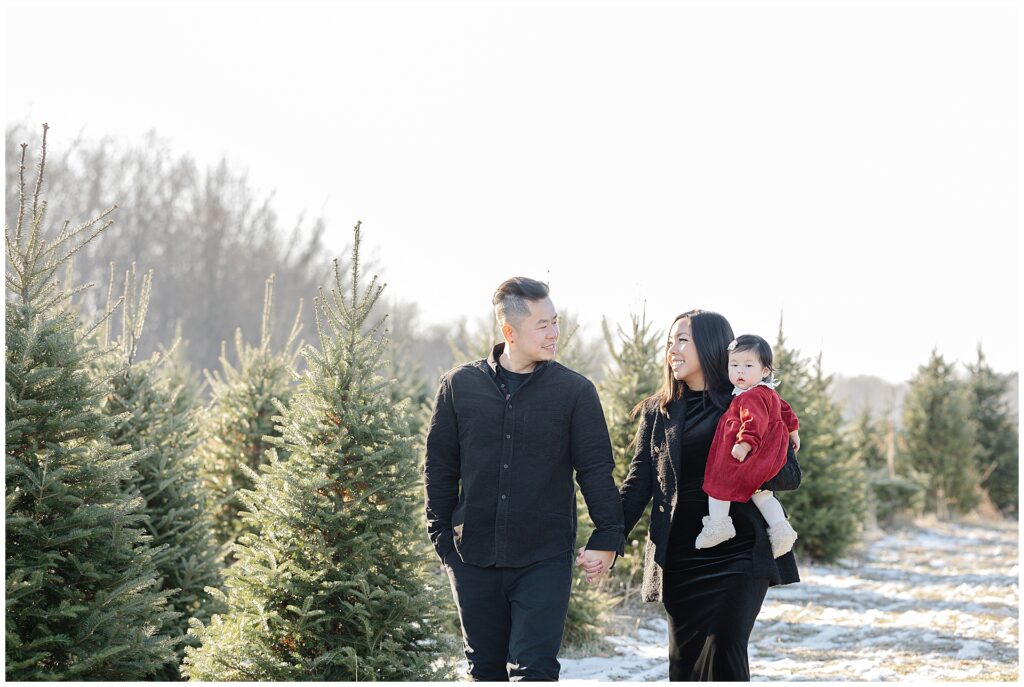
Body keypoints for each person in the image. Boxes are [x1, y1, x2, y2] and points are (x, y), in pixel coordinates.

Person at [582, 310, 800, 681]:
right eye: (670, 342)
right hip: (681, 555)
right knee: (686, 667)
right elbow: (639, 482)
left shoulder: (749, 402)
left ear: (711, 346)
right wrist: (606, 541)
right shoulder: (659, 411)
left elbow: (790, 476)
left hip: (739, 551)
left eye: (682, 340)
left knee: (725, 649)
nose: (672, 350)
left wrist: (757, 451)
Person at [424, 276, 624, 681]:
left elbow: (595, 469)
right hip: (472, 557)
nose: (554, 333)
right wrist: (443, 540)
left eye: (555, 321)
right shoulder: (459, 386)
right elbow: (439, 468)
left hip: (544, 558)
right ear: (509, 332)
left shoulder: (575, 392)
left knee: (535, 670)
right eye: (542, 325)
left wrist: (608, 536)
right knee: (485, 670)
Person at [696, 334, 801, 557]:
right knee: (762, 494)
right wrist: (794, 431)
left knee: (718, 483)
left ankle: (719, 524)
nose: (740, 371)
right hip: (767, 457)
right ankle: (781, 529)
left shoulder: (751, 396)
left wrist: (744, 444)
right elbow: (785, 410)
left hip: (750, 453)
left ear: (765, 371)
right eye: (734, 365)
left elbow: (754, 422)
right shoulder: (767, 392)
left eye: (748, 365)